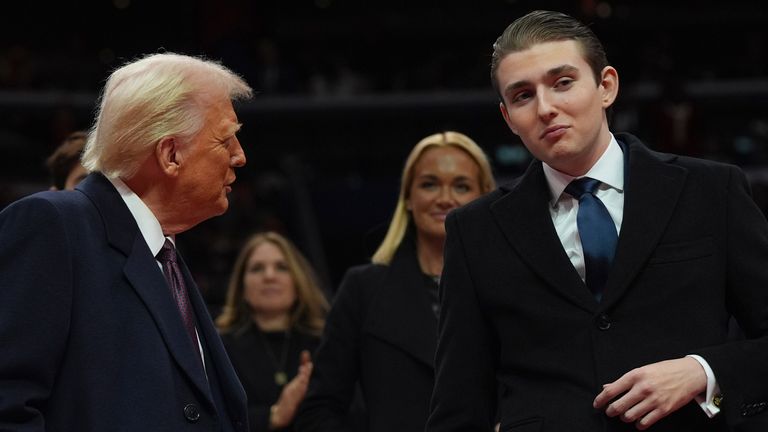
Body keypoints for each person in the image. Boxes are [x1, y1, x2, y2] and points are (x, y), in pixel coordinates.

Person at [426, 10, 768, 432]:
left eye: (562, 82)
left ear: (606, 86)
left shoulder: (711, 192)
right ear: (508, 118)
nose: (546, 108)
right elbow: (459, 405)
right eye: (522, 95)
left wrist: (703, 371)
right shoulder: (475, 231)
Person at [0, 52, 254, 431]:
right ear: (170, 154)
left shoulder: (164, 251)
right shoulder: (54, 225)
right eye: (226, 139)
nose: (240, 156)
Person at [296, 131, 496, 432]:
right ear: (408, 198)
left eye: (461, 186)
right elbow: (319, 409)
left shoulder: (512, 286)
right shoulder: (362, 289)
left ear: (483, 197)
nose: (444, 198)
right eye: (429, 184)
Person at [216, 231, 329, 432]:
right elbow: (213, 417)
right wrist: (273, 415)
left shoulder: (325, 345)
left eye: (282, 267)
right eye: (257, 269)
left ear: (298, 280)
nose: (270, 276)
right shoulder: (218, 348)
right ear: (242, 286)